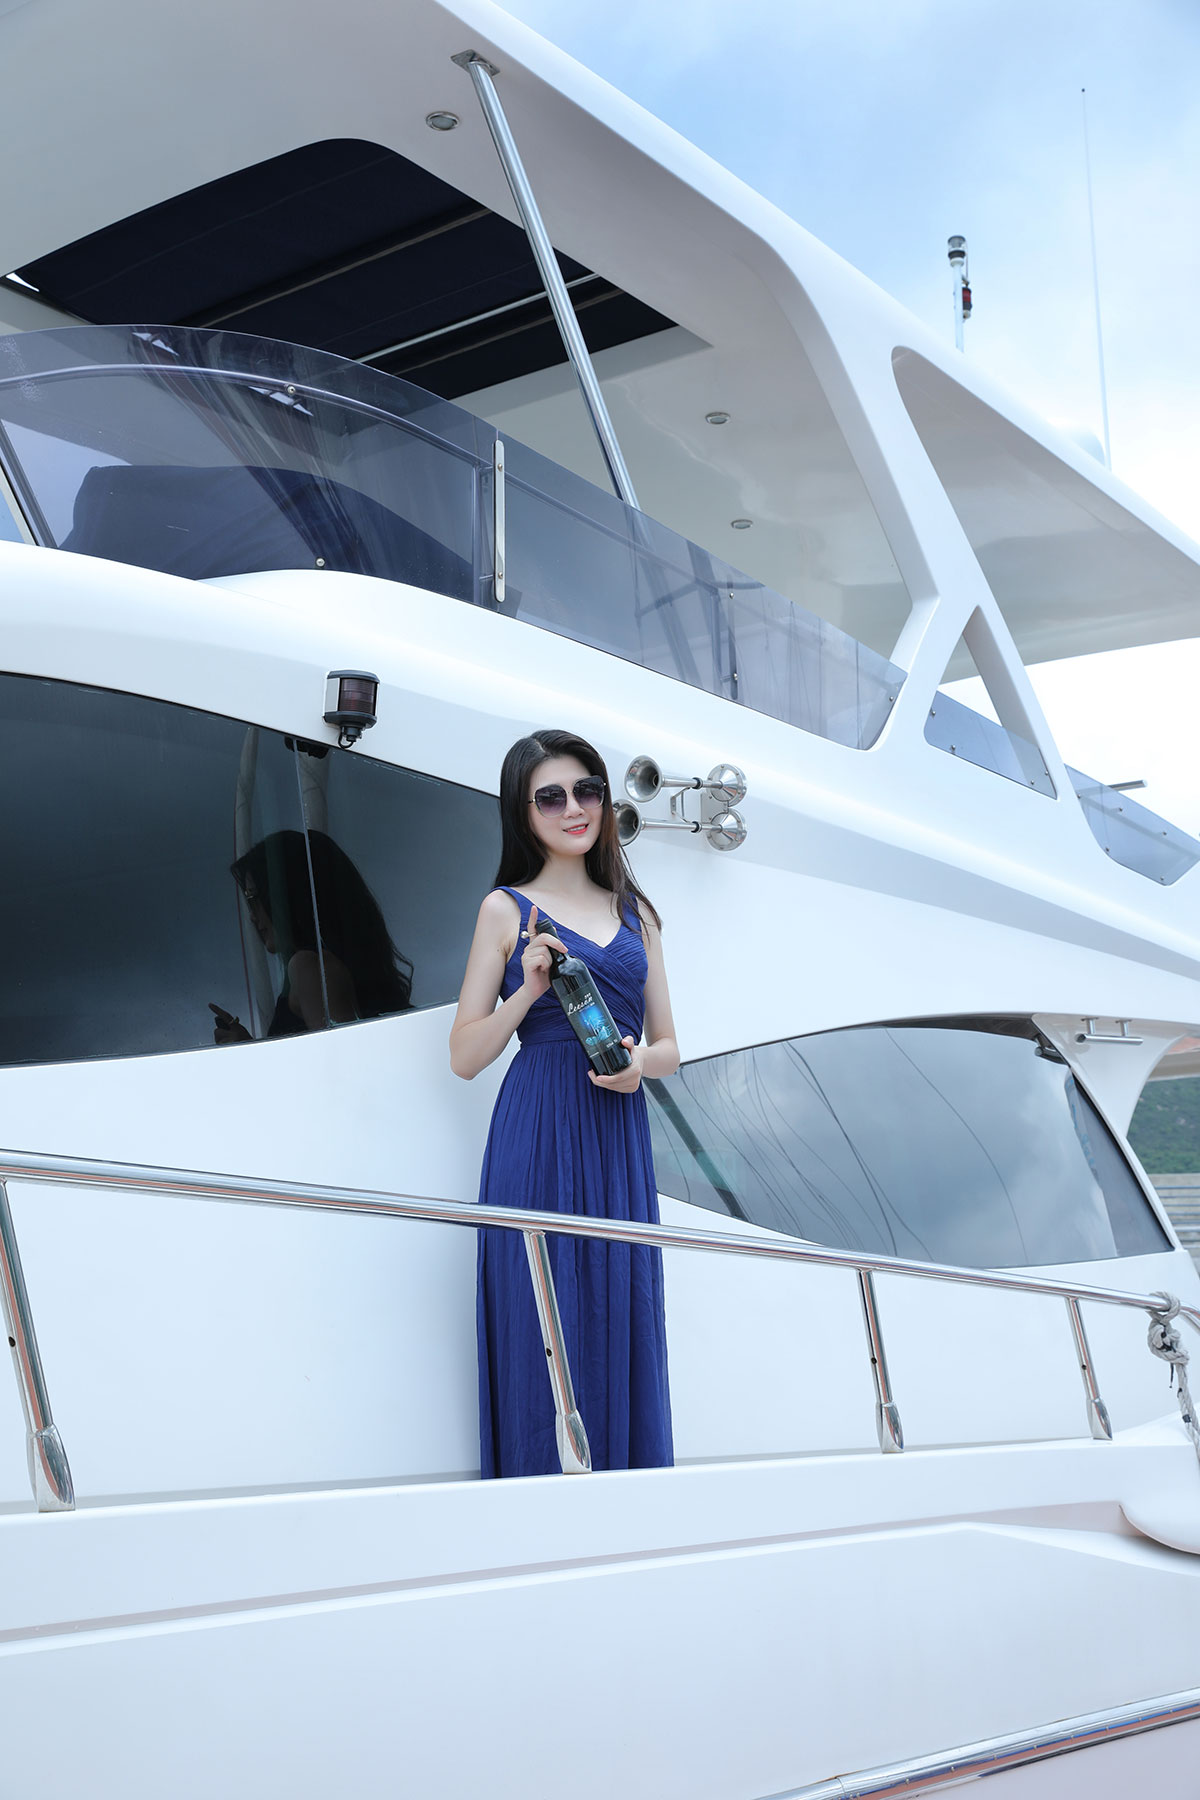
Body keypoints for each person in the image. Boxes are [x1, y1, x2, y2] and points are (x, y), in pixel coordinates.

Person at [450, 728, 678, 1477]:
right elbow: (464, 1056)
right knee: (540, 1309)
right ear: (523, 813)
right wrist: (528, 992)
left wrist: (637, 1065)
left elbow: (670, 1046)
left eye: (587, 790)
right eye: (550, 797)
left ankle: (626, 1502)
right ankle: (537, 1498)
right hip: (540, 1125)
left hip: (618, 1131)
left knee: (620, 1299)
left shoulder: (636, 911)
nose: (573, 808)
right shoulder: (504, 910)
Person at [211, 828, 412, 1042]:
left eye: (253, 898)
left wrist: (251, 1054)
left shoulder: (308, 967)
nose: (252, 916)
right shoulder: (330, 966)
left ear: (287, 895)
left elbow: (345, 1054)